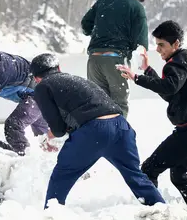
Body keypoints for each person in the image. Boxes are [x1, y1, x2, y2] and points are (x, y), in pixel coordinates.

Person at [29, 53, 165, 209]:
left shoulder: (43, 87)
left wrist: (50, 135)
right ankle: (163, 211)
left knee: (62, 175)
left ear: (37, 78)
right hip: (121, 126)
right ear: (58, 68)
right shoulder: (76, 80)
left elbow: (58, 129)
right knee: (135, 175)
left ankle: (50, 217)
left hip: (95, 130)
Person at [116, 20, 187, 220]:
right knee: (179, 175)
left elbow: (169, 87)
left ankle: (156, 218)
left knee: (149, 169)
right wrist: (147, 70)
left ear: (176, 44)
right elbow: (170, 93)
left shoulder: (179, 61)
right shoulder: (182, 62)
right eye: (157, 44)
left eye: (161, 45)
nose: (158, 49)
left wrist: (137, 77)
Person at [81, 0, 151, 118]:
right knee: (119, 106)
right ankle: (118, 139)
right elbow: (140, 44)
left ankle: (99, 138)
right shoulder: (137, 7)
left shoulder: (104, 0)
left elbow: (85, 24)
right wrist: (141, 66)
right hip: (116, 61)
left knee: (97, 105)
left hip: (94, 60)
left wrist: (97, 32)